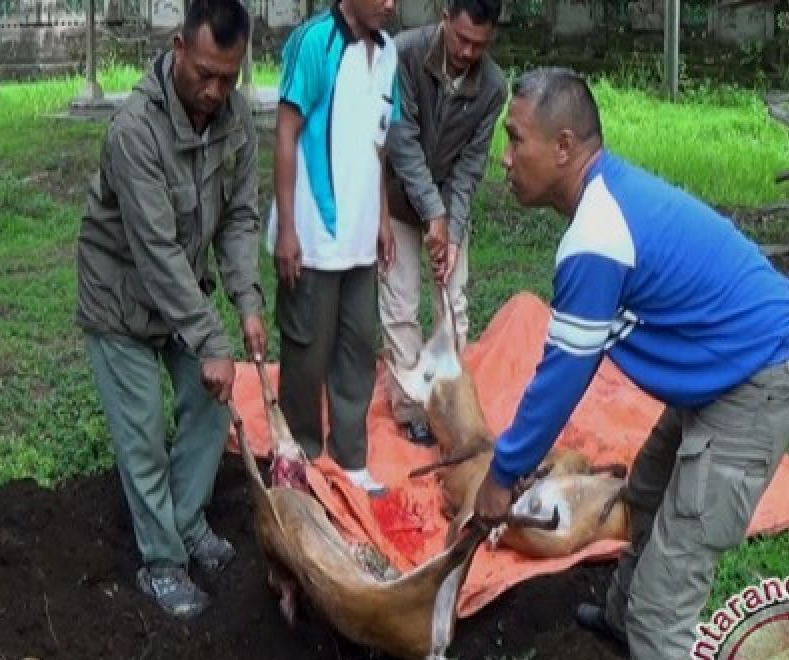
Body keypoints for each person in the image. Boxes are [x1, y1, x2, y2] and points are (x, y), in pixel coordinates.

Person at [472, 69, 789, 660]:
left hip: (755, 382)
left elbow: (560, 378)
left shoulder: (597, 237)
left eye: (516, 139)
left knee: (671, 594)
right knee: (649, 490)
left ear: (564, 147)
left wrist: (502, 475)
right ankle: (625, 621)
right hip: (723, 369)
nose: (506, 156)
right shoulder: (605, 200)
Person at [75, 0, 264, 619]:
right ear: (178, 49)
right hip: (120, 298)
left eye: (228, 77)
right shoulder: (134, 129)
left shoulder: (235, 120)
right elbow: (155, 251)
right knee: (144, 434)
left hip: (184, 292)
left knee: (213, 409)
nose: (214, 90)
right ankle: (160, 564)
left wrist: (247, 302)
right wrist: (212, 340)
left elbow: (238, 217)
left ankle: (185, 525)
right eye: (205, 72)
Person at [268, 0, 399, 496]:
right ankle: (301, 455)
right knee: (306, 349)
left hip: (361, 239)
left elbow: (377, 145)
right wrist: (286, 227)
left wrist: (383, 218)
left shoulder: (387, 55)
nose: (390, 4)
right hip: (313, 236)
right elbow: (285, 132)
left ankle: (351, 456)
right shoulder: (313, 42)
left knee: (358, 348)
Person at [381, 0, 505, 446]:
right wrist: (430, 211)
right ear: (445, 17)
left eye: (480, 44)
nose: (469, 52)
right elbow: (402, 140)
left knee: (454, 302)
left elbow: (471, 166)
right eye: (462, 39)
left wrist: (450, 230)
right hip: (396, 201)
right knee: (400, 304)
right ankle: (410, 407)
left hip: (450, 207)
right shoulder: (402, 54)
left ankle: (446, 396)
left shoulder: (493, 87)